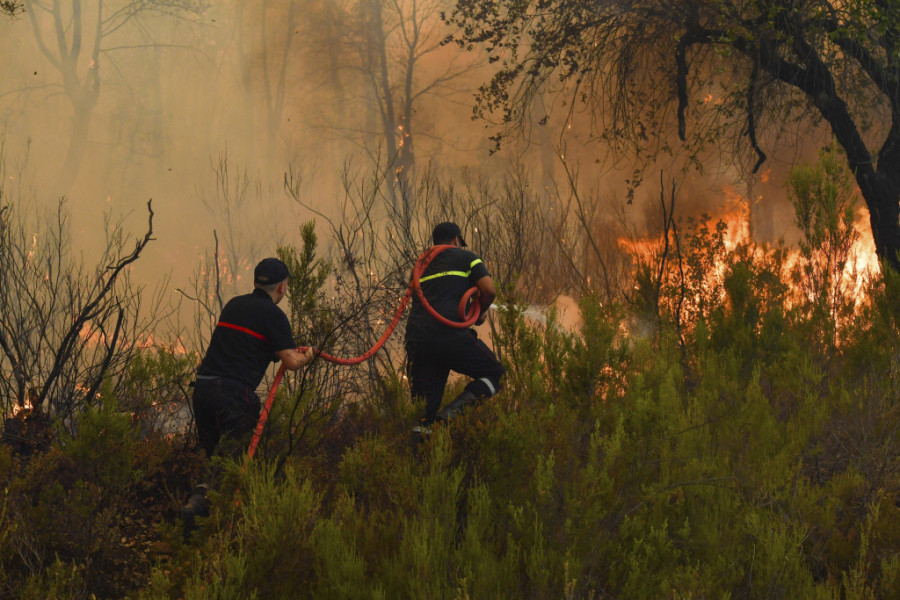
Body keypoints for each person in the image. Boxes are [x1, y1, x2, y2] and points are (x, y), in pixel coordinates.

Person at [181, 257, 314, 538]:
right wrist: (309, 356)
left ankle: (198, 525)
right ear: (282, 287)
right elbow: (291, 362)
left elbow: (243, 345)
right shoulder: (274, 316)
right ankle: (214, 521)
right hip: (232, 395)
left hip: (203, 391)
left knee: (217, 459)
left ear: (255, 281)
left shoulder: (233, 305)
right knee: (235, 463)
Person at [405, 222, 505, 434]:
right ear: (456, 240)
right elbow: (488, 290)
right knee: (496, 375)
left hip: (418, 342)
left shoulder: (420, 267)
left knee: (422, 414)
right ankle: (447, 419)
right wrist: (479, 312)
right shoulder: (467, 257)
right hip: (450, 337)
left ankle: (420, 448)